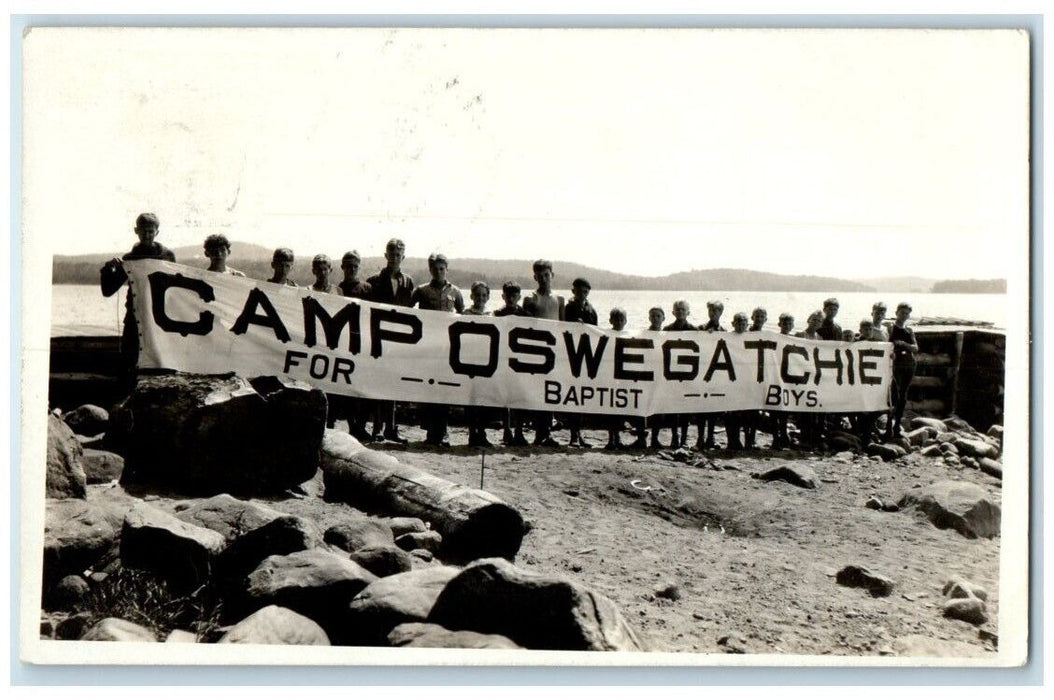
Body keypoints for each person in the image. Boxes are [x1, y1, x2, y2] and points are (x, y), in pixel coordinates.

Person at [99, 213, 177, 382]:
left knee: (160, 360)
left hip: (160, 318)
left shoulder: (168, 257)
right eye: (143, 232)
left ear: (157, 232)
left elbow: (176, 288)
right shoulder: (129, 259)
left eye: (150, 231)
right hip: (135, 316)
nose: (147, 235)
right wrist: (108, 270)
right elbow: (108, 290)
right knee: (129, 359)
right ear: (136, 231)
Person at [412, 253, 465, 447]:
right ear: (430, 270)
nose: (438, 272)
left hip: (448, 348)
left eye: (442, 268)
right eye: (435, 269)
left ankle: (443, 431)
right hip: (428, 346)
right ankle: (430, 432)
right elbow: (406, 312)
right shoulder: (422, 291)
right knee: (429, 389)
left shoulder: (456, 292)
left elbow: (463, 316)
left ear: (447, 269)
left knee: (444, 389)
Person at [367, 238, 415, 443]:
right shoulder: (374, 281)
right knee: (378, 383)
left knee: (394, 384)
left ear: (403, 257)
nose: (395, 258)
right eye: (391, 254)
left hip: (398, 339)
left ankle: (391, 427)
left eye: (398, 255)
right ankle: (377, 427)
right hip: (378, 337)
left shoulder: (408, 282)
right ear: (385, 256)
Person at [522, 261, 565, 447]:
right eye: (540, 276)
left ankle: (547, 432)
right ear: (535, 278)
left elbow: (564, 326)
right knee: (536, 392)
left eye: (547, 275)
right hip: (536, 350)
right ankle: (539, 432)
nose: (544, 279)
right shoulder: (530, 299)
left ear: (552, 275)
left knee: (550, 391)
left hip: (554, 351)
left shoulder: (560, 300)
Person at [563, 277, 597, 447]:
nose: (582, 294)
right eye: (579, 291)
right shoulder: (568, 307)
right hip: (570, 355)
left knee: (582, 396)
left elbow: (596, 331)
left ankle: (579, 433)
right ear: (573, 291)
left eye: (585, 292)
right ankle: (573, 434)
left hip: (586, 356)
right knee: (572, 396)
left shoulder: (591, 310)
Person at [493, 282, 529, 446]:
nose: (511, 299)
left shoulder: (525, 315)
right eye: (508, 295)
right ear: (503, 296)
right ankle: (507, 430)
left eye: (514, 296)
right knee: (505, 397)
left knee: (519, 396)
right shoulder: (498, 314)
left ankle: (519, 430)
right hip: (503, 358)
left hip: (519, 359)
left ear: (519, 297)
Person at [462, 281, 494, 447]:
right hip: (470, 360)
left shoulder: (492, 315)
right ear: (471, 296)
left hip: (487, 361)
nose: (480, 298)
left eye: (483, 295)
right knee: (471, 399)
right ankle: (472, 433)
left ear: (488, 297)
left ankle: (481, 432)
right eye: (477, 295)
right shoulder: (466, 313)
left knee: (484, 400)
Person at [662, 300, 697, 448]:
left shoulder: (695, 330)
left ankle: (684, 438)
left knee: (685, 409)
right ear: (673, 312)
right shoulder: (667, 329)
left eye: (683, 310)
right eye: (678, 310)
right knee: (672, 409)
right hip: (672, 374)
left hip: (688, 374)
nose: (680, 312)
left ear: (688, 312)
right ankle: (674, 436)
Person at [885, 302, 919, 441]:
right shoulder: (890, 328)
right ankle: (888, 425)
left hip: (909, 364)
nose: (904, 315)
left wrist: (904, 344)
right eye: (902, 312)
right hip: (895, 364)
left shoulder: (909, 330)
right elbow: (887, 343)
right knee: (894, 395)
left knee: (903, 395)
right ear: (896, 313)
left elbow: (916, 348)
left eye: (906, 313)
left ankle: (897, 426)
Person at [697, 300, 727, 449]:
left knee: (714, 408)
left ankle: (710, 437)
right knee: (702, 407)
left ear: (721, 313)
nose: (712, 313)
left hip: (717, 374)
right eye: (710, 311)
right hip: (703, 373)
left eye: (715, 311)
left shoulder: (725, 331)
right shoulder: (701, 328)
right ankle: (700, 438)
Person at [771, 313, 796, 449]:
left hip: (789, 378)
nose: (787, 326)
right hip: (776, 376)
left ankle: (783, 435)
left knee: (785, 410)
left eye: (789, 324)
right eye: (784, 323)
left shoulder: (796, 340)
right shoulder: (774, 338)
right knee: (775, 410)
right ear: (779, 324)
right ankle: (775, 438)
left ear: (792, 325)